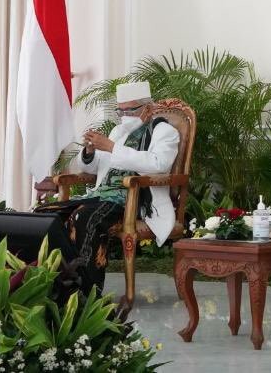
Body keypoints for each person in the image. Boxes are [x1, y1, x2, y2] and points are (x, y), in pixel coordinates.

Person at [35, 81, 180, 294]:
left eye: (129, 110)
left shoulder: (164, 131)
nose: (123, 116)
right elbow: (96, 167)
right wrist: (90, 152)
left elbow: (158, 165)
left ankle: (88, 291)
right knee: (46, 216)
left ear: (147, 109)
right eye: (119, 111)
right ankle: (55, 284)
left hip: (134, 198)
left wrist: (112, 148)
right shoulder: (117, 131)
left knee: (84, 217)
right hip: (102, 194)